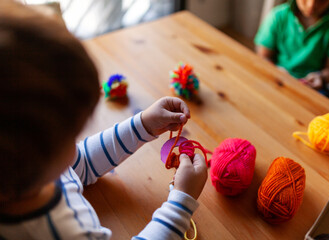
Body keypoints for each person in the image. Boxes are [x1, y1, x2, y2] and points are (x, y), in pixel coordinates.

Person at [0, 1, 208, 239]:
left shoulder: (28, 169)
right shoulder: (61, 232)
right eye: (72, 135)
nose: (76, 143)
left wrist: (143, 125)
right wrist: (181, 204)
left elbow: (82, 165)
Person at [255, 0, 329, 113]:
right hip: (278, 81)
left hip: (313, 89)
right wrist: (276, 72)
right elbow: (263, 58)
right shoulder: (278, 16)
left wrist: (321, 78)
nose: (311, 5)